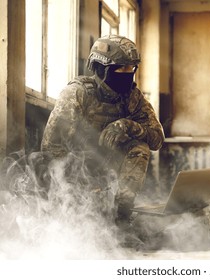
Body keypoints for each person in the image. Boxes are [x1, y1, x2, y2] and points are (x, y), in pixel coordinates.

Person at [41, 35, 165, 230]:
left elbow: (157, 139)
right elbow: (52, 148)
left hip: (109, 165)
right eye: (121, 68)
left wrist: (127, 125)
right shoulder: (78, 93)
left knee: (139, 148)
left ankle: (122, 215)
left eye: (131, 68)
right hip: (76, 167)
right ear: (102, 69)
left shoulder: (132, 97)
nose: (128, 73)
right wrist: (79, 186)